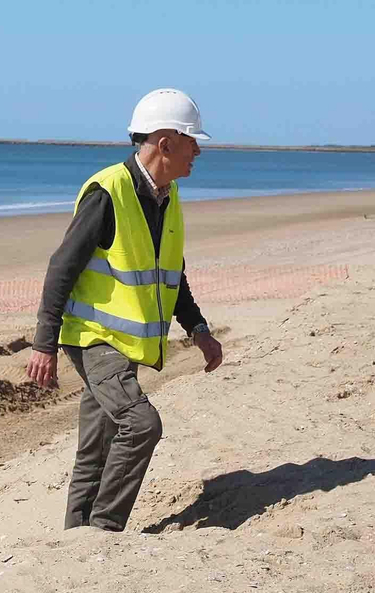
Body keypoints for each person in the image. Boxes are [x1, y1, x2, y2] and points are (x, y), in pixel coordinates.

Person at [26, 88, 225, 532]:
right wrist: (43, 344)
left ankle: (77, 539)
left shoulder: (167, 195)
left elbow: (171, 274)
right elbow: (61, 268)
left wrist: (198, 329)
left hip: (123, 343)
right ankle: (104, 530)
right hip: (93, 338)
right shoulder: (108, 192)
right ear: (165, 143)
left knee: (96, 447)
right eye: (193, 141)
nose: (198, 151)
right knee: (141, 424)